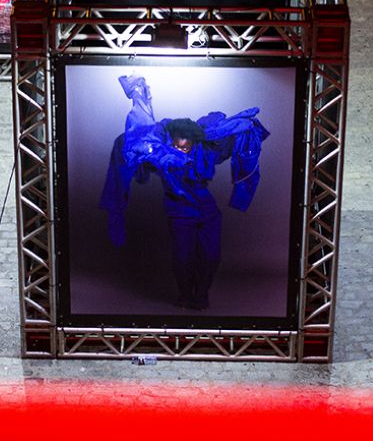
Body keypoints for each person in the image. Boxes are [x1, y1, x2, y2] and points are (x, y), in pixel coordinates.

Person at [99, 74, 269, 310]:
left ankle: (201, 295)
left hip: (207, 211)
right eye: (177, 145)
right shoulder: (163, 155)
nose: (182, 149)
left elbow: (228, 139)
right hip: (178, 211)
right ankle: (185, 294)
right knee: (183, 257)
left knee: (211, 256)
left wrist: (242, 127)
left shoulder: (205, 152)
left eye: (186, 145)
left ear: (193, 142)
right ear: (171, 141)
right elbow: (134, 145)